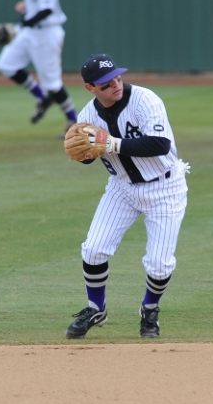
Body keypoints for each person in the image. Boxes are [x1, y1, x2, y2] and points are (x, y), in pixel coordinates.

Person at [64, 54, 190, 339]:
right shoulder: (87, 116)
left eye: (117, 78)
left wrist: (110, 143)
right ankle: (96, 309)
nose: (115, 85)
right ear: (90, 88)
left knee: (160, 263)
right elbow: (87, 157)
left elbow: (159, 144)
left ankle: (150, 310)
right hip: (121, 188)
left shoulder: (145, 100)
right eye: (106, 84)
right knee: (93, 249)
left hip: (165, 188)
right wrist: (82, 150)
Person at [0, 0, 78, 131]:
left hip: (46, 33)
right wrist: (29, 6)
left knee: (53, 84)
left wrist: (20, 24)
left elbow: (47, 9)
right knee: (6, 64)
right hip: (31, 32)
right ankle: (42, 98)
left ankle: (74, 121)